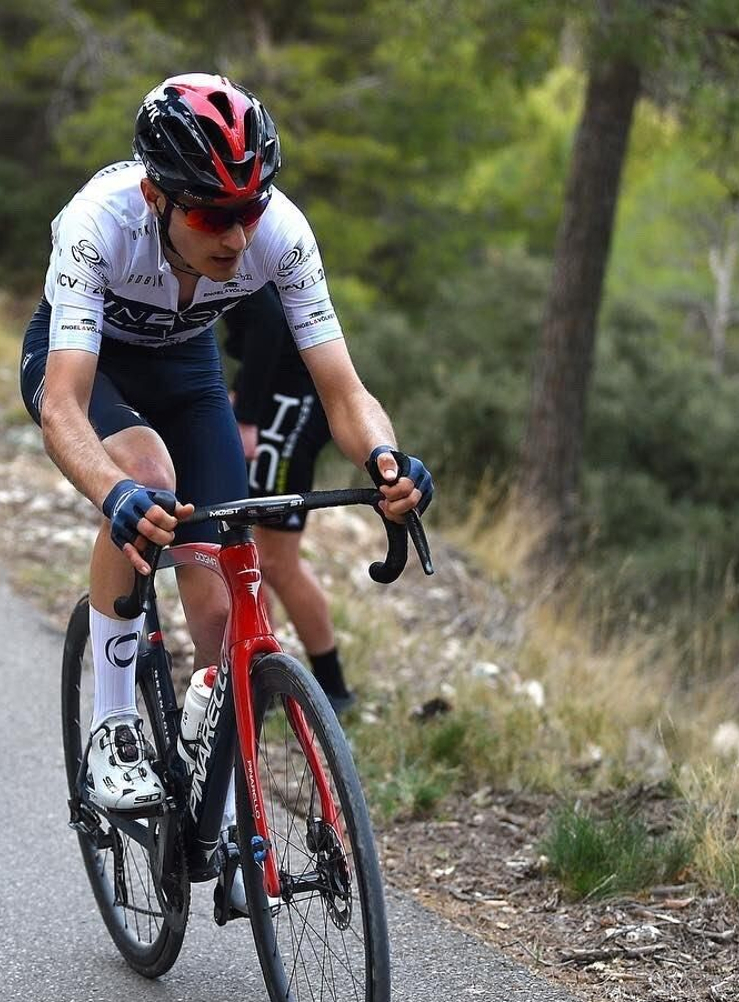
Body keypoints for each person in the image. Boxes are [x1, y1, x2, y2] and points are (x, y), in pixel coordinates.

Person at [22, 73, 433, 814]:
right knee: (146, 471)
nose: (238, 237)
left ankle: (209, 788)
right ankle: (114, 727)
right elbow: (61, 407)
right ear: (158, 198)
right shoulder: (97, 224)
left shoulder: (282, 234)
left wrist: (385, 459)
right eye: (214, 216)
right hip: (90, 368)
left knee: (219, 610)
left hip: (187, 371)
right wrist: (115, 492)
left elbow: (342, 390)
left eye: (249, 209)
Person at [224, 283, 356, 714]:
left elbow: (268, 325)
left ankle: (333, 687)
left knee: (277, 561)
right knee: (254, 558)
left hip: (289, 405)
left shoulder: (241, 247)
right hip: (275, 397)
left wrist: (246, 417)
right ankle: (265, 676)